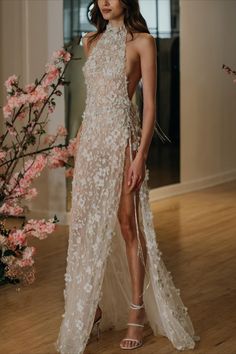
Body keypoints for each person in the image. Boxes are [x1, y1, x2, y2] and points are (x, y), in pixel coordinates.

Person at [55, 1, 200, 353]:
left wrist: (140, 156)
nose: (105, 1)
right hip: (92, 144)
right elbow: (90, 104)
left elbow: (149, 105)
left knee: (127, 224)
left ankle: (137, 311)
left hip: (122, 141)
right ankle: (93, 307)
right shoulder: (89, 41)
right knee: (88, 225)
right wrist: (78, 145)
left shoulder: (142, 42)